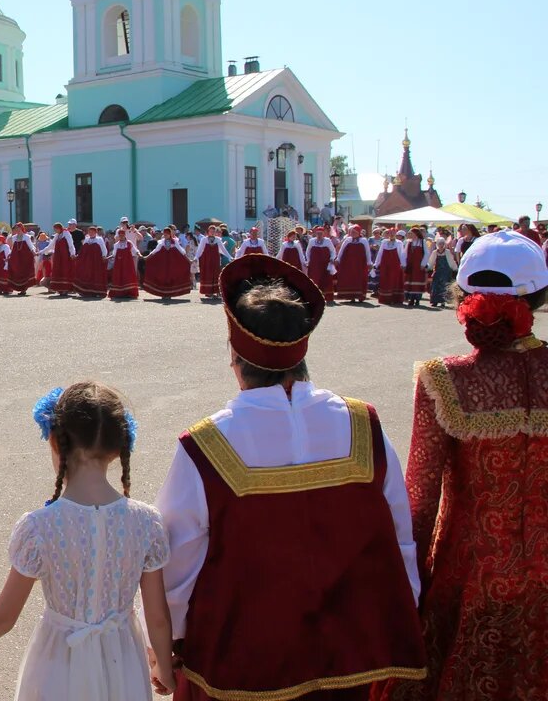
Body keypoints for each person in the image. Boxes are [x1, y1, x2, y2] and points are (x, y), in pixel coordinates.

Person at [155, 254, 425, 700]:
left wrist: (166, 645)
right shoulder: (363, 423)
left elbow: (177, 563)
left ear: (235, 358)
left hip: (241, 661)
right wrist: (402, 609)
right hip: (350, 655)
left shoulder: (205, 443)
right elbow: (399, 532)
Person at [0, 382, 174, 700]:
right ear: (118, 446)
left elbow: (2, 619)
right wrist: (163, 668)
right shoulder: (146, 522)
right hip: (122, 665)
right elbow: (158, 617)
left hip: (58, 665)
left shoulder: (41, 528)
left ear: (55, 441)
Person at [377, 232, 548, 701]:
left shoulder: (445, 379)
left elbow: (421, 494)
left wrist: (405, 583)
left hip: (469, 571)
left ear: (465, 296)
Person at [141, 227, 192, 300]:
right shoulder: (161, 242)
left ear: (170, 234)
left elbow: (181, 251)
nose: (165, 236)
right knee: (163, 276)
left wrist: (188, 260)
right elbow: (155, 250)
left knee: (171, 277)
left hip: (172, 263)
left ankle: (170, 293)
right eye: (164, 234)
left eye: (167, 234)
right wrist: (147, 257)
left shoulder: (175, 241)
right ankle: (163, 293)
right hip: (163, 263)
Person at [336, 224, 371, 303]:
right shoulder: (348, 240)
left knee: (360, 279)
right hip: (348, 264)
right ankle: (351, 296)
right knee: (350, 279)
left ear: (359, 232)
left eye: (355, 232)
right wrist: (338, 259)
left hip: (360, 264)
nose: (353, 233)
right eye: (352, 232)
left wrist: (369, 262)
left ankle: (360, 296)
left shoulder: (364, 240)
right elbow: (342, 250)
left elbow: (367, 252)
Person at [193, 226, 230, 299]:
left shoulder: (218, 239)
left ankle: (217, 292)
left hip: (215, 260)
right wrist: (196, 257)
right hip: (207, 261)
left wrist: (229, 257)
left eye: (213, 231)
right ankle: (209, 292)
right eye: (211, 231)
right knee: (208, 275)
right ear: (208, 231)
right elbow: (200, 250)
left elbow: (223, 249)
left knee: (216, 274)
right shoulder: (204, 239)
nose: (212, 232)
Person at [374, 228, 407, 306]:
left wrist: (403, 264)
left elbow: (401, 254)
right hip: (385, 265)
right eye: (390, 233)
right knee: (385, 281)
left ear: (395, 234)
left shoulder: (399, 243)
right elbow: (380, 253)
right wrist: (376, 263)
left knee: (394, 280)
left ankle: (395, 298)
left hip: (395, 265)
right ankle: (385, 299)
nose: (391, 235)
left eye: (393, 233)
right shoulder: (384, 242)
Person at [73, 226, 109, 298]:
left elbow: (103, 249)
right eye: (89, 232)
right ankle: (85, 291)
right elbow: (82, 250)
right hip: (87, 262)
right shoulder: (86, 239)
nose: (91, 233)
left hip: (96, 261)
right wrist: (77, 256)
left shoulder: (99, 239)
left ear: (96, 232)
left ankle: (97, 291)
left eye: (92, 232)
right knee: (87, 275)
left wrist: (104, 256)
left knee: (95, 275)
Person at [305, 227, 337, 303]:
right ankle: (314, 297)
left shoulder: (328, 241)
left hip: (325, 265)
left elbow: (333, 251)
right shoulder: (312, 241)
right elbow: (308, 252)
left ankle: (327, 297)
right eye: (318, 233)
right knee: (314, 280)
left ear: (323, 233)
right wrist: (309, 261)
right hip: (314, 265)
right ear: (315, 233)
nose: (319, 235)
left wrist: (332, 258)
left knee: (326, 280)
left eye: (321, 233)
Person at [106, 228, 140, 300]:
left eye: (122, 235)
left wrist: (140, 254)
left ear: (125, 235)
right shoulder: (116, 245)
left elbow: (135, 250)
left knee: (128, 277)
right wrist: (107, 258)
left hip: (128, 264)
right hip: (119, 264)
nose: (121, 236)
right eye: (120, 235)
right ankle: (119, 293)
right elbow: (114, 254)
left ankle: (129, 292)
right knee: (119, 277)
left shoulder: (129, 243)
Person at [425, 237, 457, 308]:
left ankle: (443, 301)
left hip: (446, 272)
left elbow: (451, 261)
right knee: (435, 286)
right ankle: (434, 301)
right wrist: (428, 268)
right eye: (439, 244)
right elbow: (431, 261)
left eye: (442, 243)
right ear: (437, 244)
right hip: (437, 272)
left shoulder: (447, 252)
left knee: (444, 286)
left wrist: (455, 269)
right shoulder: (435, 252)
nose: (441, 245)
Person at [402, 227, 429, 307]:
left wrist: (423, 264)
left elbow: (426, 253)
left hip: (418, 265)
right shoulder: (408, 242)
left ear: (416, 234)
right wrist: (404, 264)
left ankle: (417, 299)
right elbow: (404, 254)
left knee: (417, 281)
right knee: (410, 281)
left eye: (411, 233)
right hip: (410, 265)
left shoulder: (422, 242)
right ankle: (411, 299)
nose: (410, 235)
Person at [48, 223, 75, 296]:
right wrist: (41, 252)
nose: (55, 230)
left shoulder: (66, 233)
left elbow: (70, 244)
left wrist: (72, 253)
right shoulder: (57, 235)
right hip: (58, 256)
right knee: (58, 270)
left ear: (59, 228)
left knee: (65, 270)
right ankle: (60, 289)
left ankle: (66, 289)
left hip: (65, 256)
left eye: (55, 229)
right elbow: (50, 245)